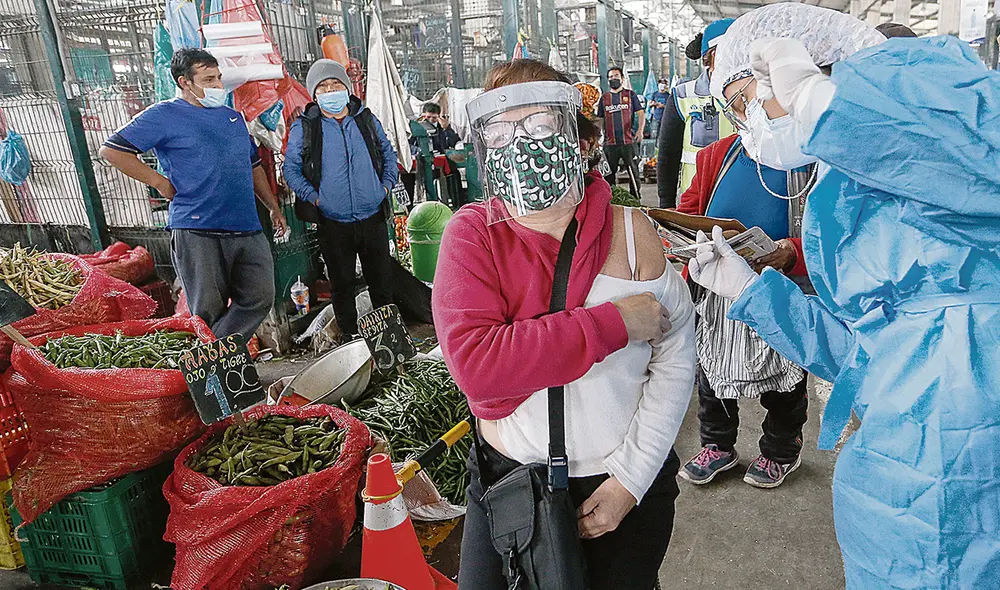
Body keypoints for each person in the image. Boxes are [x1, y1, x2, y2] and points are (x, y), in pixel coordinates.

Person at [692, 4, 1000, 587]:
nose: (752, 122)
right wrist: (752, 291)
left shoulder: (951, 111)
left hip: (969, 463)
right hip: (890, 487)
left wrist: (827, 105)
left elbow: (967, 152)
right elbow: (862, 352)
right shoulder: (851, 185)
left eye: (748, 101)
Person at [433, 59, 695, 589]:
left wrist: (631, 479)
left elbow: (674, 354)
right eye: (501, 131)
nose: (520, 144)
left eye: (540, 125)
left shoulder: (630, 231)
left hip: (620, 480)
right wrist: (613, 322)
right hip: (513, 485)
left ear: (579, 137)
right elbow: (481, 368)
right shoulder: (473, 235)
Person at [99, 48, 287, 339]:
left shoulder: (233, 120)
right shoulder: (163, 115)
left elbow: (254, 166)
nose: (217, 86)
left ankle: (216, 354)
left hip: (246, 226)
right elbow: (111, 150)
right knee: (207, 309)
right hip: (197, 228)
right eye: (208, 79)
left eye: (218, 79)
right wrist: (159, 182)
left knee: (260, 296)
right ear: (184, 82)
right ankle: (220, 373)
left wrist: (272, 206)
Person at [675, 120, 811, 489]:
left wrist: (790, 253)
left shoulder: (810, 158)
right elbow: (689, 210)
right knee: (713, 371)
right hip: (718, 293)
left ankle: (782, 448)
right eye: (735, 98)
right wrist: (684, 236)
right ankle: (717, 444)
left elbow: (827, 233)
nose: (746, 108)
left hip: (780, 288)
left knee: (786, 375)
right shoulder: (719, 155)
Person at [283, 59, 398, 338]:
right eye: (323, 86)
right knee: (342, 285)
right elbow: (290, 169)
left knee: (382, 283)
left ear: (346, 88)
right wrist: (316, 199)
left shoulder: (366, 120)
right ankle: (350, 339)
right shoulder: (306, 127)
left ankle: (389, 339)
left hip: (372, 216)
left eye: (336, 84)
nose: (331, 90)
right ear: (314, 93)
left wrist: (384, 187)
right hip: (333, 221)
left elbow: (388, 154)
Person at [656, 19, 736, 208]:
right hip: (698, 202)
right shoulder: (684, 95)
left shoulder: (754, 91)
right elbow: (668, 153)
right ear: (714, 55)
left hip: (744, 197)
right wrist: (666, 204)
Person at [596, 66, 644, 197]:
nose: (613, 79)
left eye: (616, 76)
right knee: (609, 174)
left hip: (628, 141)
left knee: (633, 171)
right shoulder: (604, 98)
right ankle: (611, 199)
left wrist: (640, 130)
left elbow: (640, 113)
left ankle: (635, 199)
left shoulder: (630, 95)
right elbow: (599, 119)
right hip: (610, 143)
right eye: (610, 77)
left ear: (622, 78)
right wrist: (597, 138)